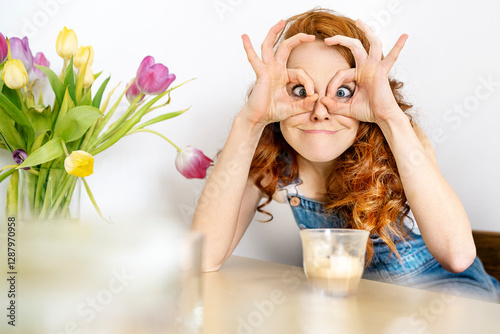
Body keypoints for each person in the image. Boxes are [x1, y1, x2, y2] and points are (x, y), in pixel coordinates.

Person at [191, 8, 500, 303]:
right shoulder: (270, 157)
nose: (319, 112)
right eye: (300, 91)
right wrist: (250, 122)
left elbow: (458, 256)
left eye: (341, 92)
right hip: (365, 308)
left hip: (447, 296)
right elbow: (203, 259)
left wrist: (390, 118)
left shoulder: (400, 138)